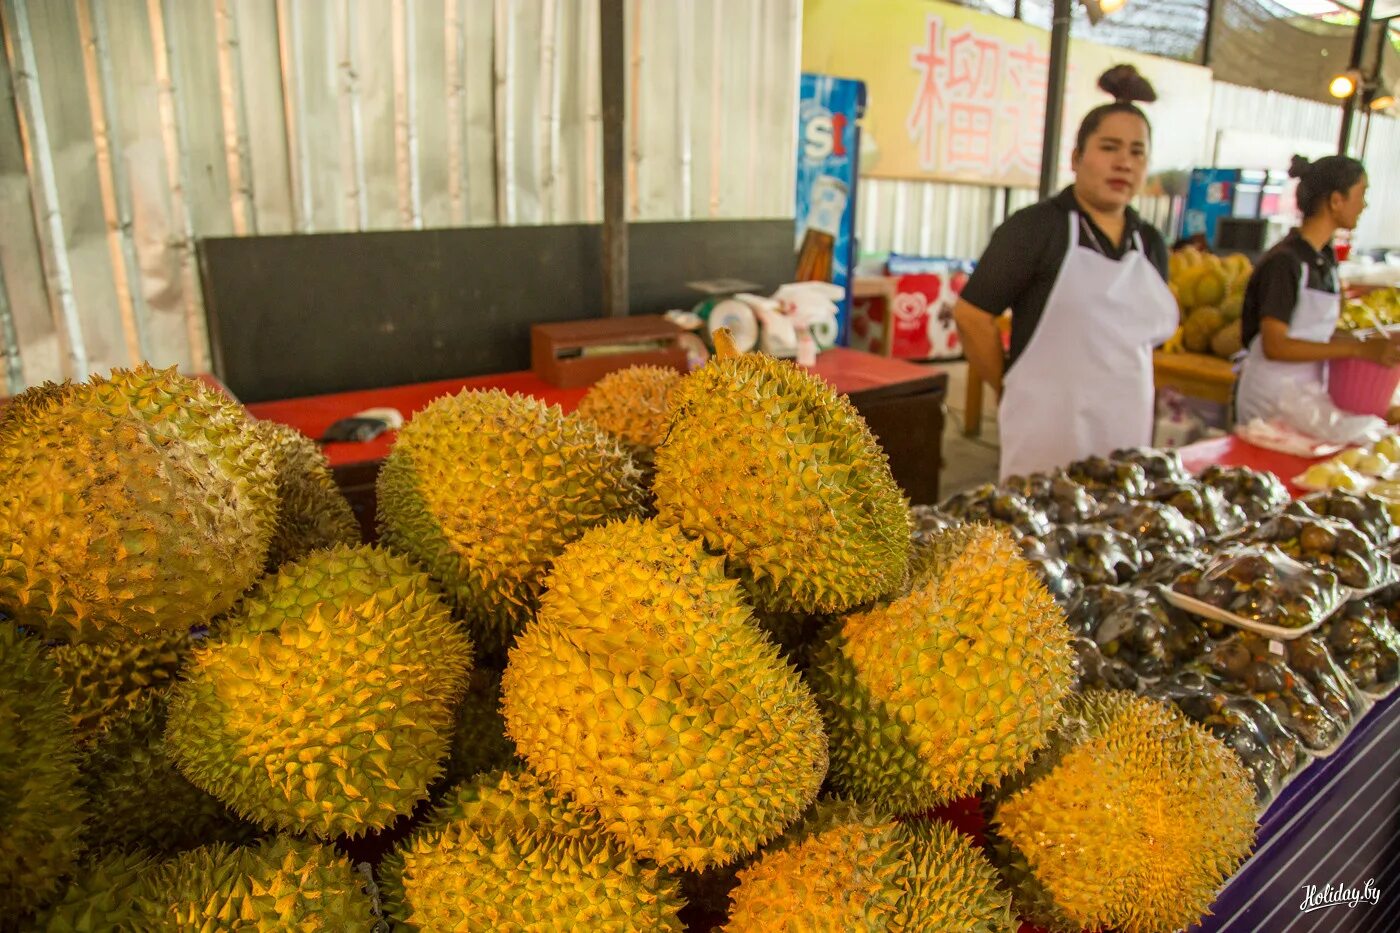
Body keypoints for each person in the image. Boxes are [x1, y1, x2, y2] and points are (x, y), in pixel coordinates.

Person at [953, 65, 1176, 480]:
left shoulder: (1151, 243)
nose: (1124, 163)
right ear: (1077, 158)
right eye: (1109, 148)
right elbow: (972, 315)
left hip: (1125, 427)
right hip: (1047, 432)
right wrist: (1009, 388)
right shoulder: (1036, 228)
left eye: (1137, 152)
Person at [1234, 155, 1398, 424]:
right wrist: (1357, 350)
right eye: (1361, 194)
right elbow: (1275, 345)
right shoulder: (1285, 262)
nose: (1364, 205)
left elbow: (1319, 334)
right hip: (1270, 398)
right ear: (1336, 201)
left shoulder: (1324, 260)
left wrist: (1369, 345)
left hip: (1304, 393)